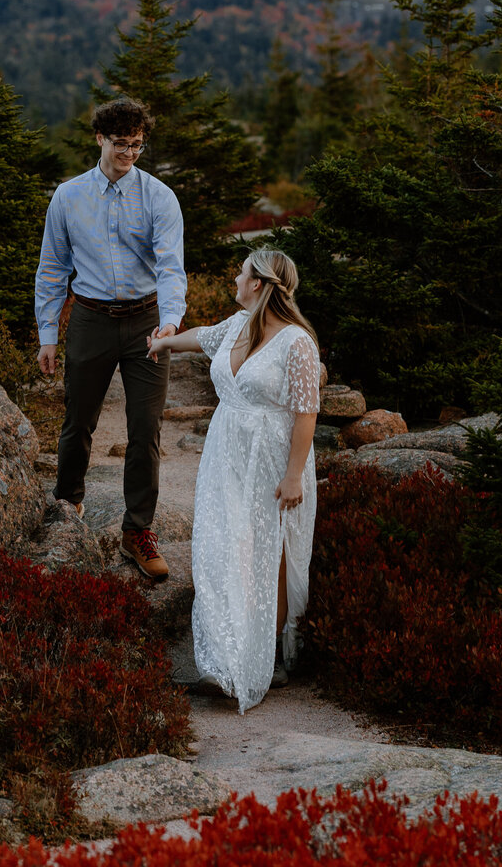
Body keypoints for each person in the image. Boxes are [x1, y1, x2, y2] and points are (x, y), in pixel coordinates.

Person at [148, 247, 319, 711]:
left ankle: (266, 659)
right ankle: (225, 657)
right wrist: (165, 341)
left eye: (241, 275)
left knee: (270, 550)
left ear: (259, 285)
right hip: (227, 457)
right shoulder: (238, 326)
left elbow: (307, 413)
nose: (234, 281)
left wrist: (293, 476)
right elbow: (203, 337)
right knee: (224, 544)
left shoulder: (297, 342)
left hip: (274, 460)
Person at [36, 96, 185, 582]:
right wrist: (48, 335)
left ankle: (137, 531)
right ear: (99, 138)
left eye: (137, 146)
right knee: (78, 420)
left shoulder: (160, 197)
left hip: (146, 322)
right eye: (121, 144)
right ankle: (69, 505)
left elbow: (170, 268)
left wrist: (169, 322)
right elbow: (53, 268)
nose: (129, 154)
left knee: (146, 429)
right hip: (91, 318)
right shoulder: (68, 196)